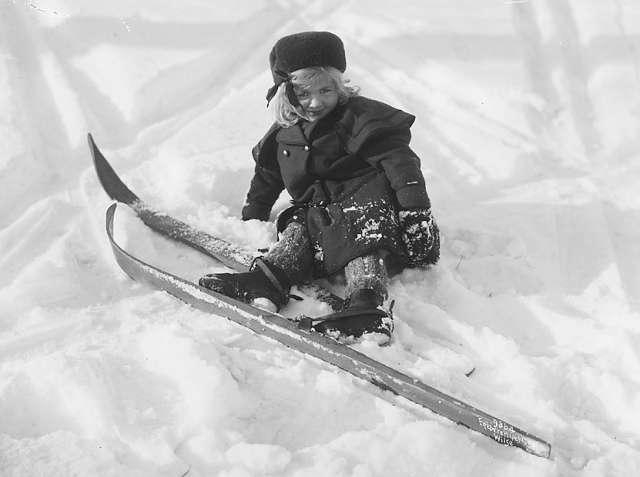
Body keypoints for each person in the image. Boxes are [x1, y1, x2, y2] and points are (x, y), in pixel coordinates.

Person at [200, 31, 439, 342]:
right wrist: (254, 211)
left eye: (327, 90)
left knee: (362, 244)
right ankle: (267, 282)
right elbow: (268, 176)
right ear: (286, 93)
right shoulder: (283, 134)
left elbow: (400, 162)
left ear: (340, 86)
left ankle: (367, 305)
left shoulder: (358, 117)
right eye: (304, 93)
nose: (316, 101)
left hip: (367, 207)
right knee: (297, 233)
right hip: (318, 213)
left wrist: (414, 209)